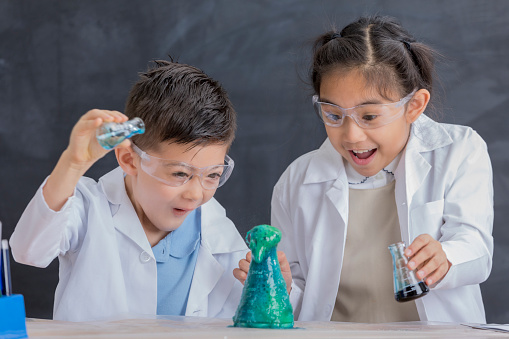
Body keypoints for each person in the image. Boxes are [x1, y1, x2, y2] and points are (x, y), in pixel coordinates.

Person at [235, 16, 493, 324]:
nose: (352, 136)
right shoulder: (298, 180)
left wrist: (446, 257)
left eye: (369, 116)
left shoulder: (458, 150)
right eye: (333, 114)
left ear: (414, 106)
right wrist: (282, 286)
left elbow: (475, 247)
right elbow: (306, 299)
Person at [10, 60, 248, 322]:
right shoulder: (89, 208)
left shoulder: (218, 233)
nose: (195, 193)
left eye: (213, 175)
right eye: (180, 173)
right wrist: (73, 163)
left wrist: (273, 289)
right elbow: (28, 250)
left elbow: (239, 320)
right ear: (129, 160)